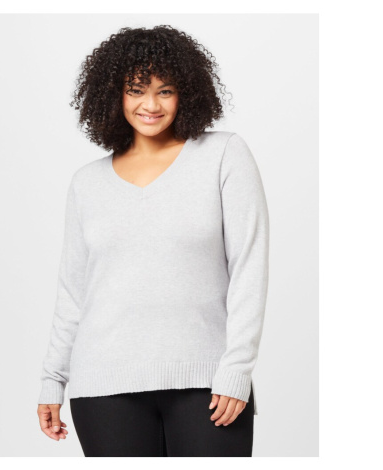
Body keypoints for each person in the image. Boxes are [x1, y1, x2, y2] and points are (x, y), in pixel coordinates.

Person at [36, 25, 270, 457]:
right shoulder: (86, 183)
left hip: (207, 382)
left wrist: (237, 368)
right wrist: (53, 379)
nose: (151, 105)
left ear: (187, 94)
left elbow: (248, 267)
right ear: (114, 95)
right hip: (103, 387)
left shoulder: (223, 155)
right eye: (136, 90)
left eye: (165, 91)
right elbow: (73, 294)